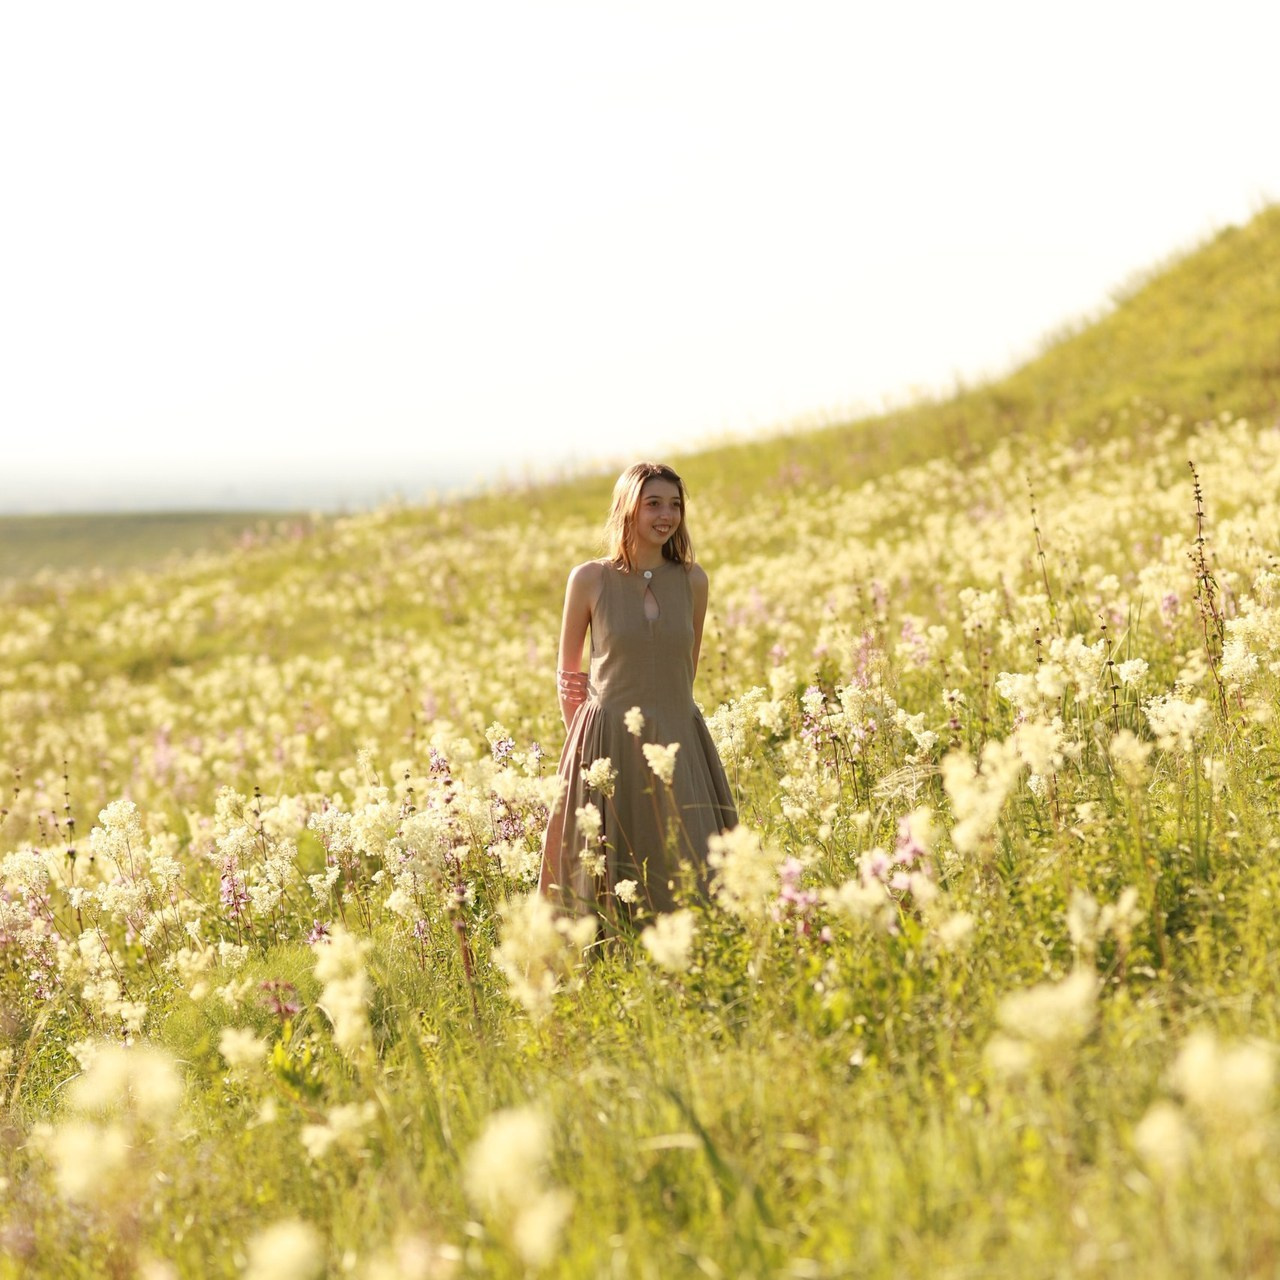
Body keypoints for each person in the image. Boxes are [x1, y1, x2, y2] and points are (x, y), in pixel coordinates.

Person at [539, 461, 737, 917]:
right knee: (604, 869)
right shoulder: (589, 578)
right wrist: (585, 751)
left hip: (679, 738)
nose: (666, 515)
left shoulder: (693, 581)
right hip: (607, 742)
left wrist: (672, 722)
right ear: (628, 508)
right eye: (653, 504)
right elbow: (570, 674)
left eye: (675, 505)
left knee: (691, 859)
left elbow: (686, 667)